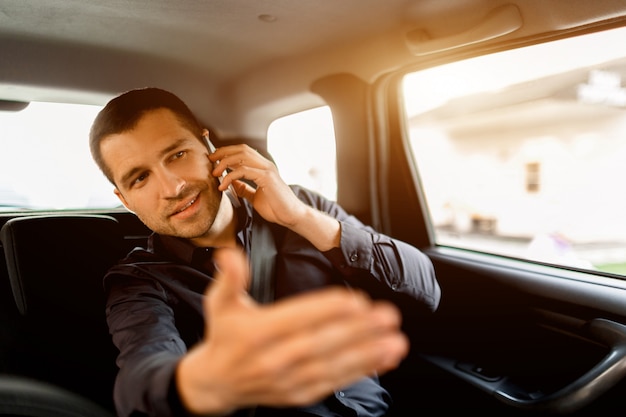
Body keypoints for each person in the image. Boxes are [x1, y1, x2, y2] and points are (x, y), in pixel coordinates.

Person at [89, 87, 441, 417]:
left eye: (178, 154)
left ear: (208, 146)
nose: (172, 187)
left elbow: (425, 289)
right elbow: (141, 374)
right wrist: (199, 381)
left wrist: (300, 218)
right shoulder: (139, 281)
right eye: (139, 178)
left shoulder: (303, 206)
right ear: (125, 200)